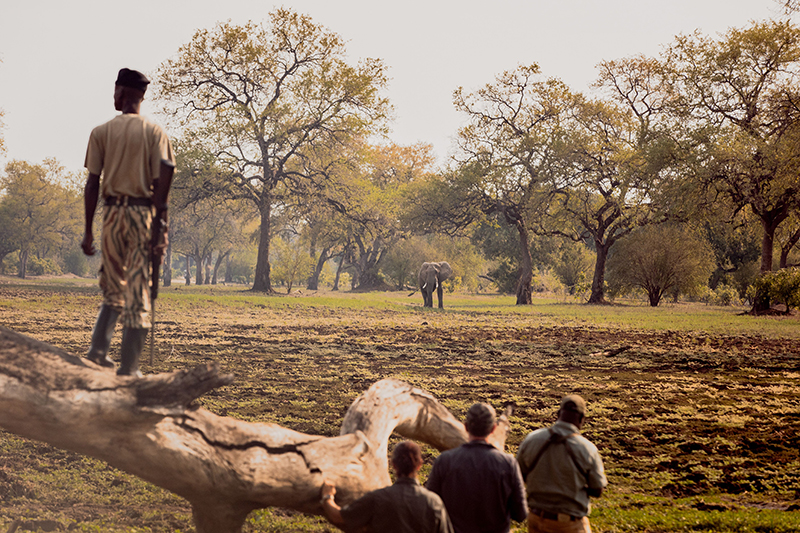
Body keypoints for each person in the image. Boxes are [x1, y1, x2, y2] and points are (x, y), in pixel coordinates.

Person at [82, 68, 175, 377]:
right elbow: (165, 174)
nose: (114, 97)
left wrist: (88, 231)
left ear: (122, 94)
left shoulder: (101, 132)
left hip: (111, 215)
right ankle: (129, 368)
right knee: (138, 289)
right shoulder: (154, 132)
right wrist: (161, 224)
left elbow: (93, 184)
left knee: (112, 285)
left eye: (115, 92)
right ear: (142, 97)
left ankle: (97, 352)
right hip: (140, 215)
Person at [426, 402, 528, 533]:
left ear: (466, 427)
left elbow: (430, 507)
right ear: (493, 429)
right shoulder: (508, 463)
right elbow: (520, 514)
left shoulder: (444, 461)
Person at [516, 395, 607, 533]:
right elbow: (597, 489)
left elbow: (518, 477)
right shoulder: (587, 448)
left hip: (536, 519)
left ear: (558, 414)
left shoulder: (532, 439)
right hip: (569, 523)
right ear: (582, 418)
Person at [320, 440, 453, 533]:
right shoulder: (434, 503)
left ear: (393, 465)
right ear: (419, 465)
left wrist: (328, 496)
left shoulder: (377, 498)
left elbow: (339, 516)